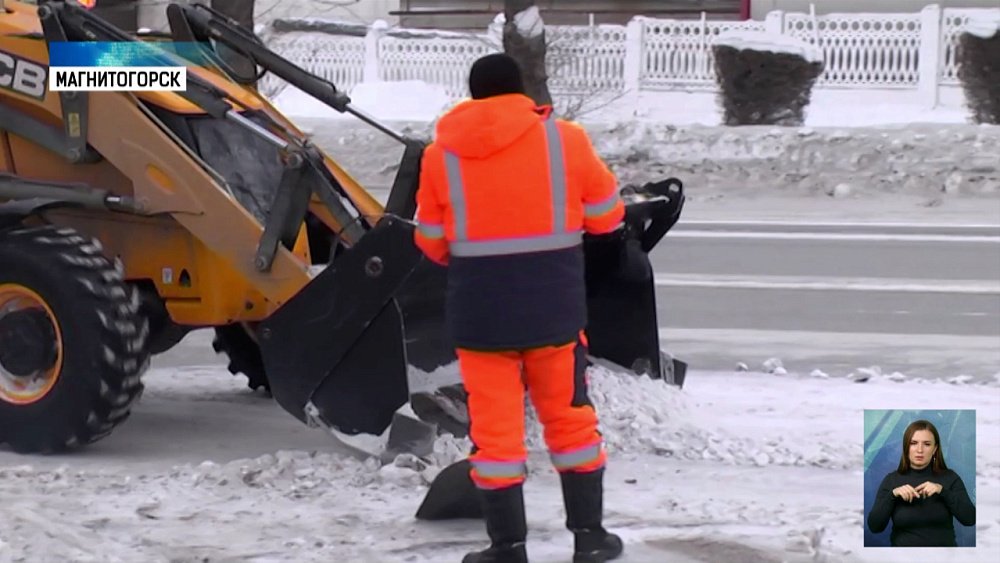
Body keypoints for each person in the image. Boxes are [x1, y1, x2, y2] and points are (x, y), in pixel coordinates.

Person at [412, 53, 626, 563]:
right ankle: (590, 539)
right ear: (521, 90)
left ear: (473, 95)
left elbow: (431, 241)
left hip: (481, 317)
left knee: (495, 435)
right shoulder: (565, 140)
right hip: (553, 312)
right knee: (570, 421)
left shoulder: (441, 156)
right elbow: (606, 215)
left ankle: (507, 547)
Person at [867, 419, 976, 547]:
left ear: (935, 449)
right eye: (913, 443)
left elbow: (970, 519)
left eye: (927, 444)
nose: (920, 450)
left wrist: (943, 491)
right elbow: (875, 527)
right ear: (906, 447)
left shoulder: (950, 478)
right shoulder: (891, 480)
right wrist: (892, 495)